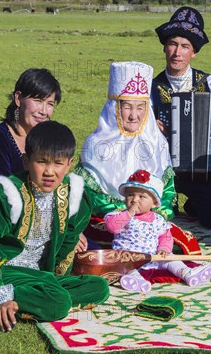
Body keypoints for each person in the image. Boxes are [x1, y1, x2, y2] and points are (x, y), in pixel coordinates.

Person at [0, 121, 109, 331]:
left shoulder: (77, 198)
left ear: (69, 165)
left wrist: (54, 281)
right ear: (26, 161)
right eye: (41, 162)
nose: (49, 171)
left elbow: (68, 243)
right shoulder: (7, 192)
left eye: (58, 163)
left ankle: (20, 297)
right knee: (58, 302)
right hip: (3, 268)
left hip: (41, 274)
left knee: (98, 288)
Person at [75, 61, 200, 256]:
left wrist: (155, 215)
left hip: (149, 216)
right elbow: (89, 194)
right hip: (108, 220)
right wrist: (127, 212)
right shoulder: (95, 144)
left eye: (140, 107)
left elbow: (167, 189)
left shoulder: (156, 142)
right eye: (127, 107)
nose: (134, 115)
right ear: (115, 108)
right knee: (101, 242)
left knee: (186, 245)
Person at [151, 6, 211, 230]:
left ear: (193, 52)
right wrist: (151, 128)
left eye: (185, 46)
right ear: (165, 47)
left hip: (204, 171)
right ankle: (175, 202)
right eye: (173, 44)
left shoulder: (210, 83)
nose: (177, 52)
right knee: (159, 222)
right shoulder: (151, 86)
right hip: (162, 169)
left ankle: (196, 203)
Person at [0, 69, 87, 252]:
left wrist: (68, 226)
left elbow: (59, 184)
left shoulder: (47, 139)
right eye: (38, 101)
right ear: (18, 99)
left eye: (50, 104)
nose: (44, 111)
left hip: (45, 218)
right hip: (5, 227)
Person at [106, 169, 211, 293]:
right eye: (130, 195)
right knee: (125, 266)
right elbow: (112, 227)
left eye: (142, 196)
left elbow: (166, 236)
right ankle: (135, 280)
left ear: (154, 203)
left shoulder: (158, 220)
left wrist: (164, 249)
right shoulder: (120, 215)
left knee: (171, 259)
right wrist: (128, 214)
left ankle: (186, 272)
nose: (135, 200)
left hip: (154, 256)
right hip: (129, 257)